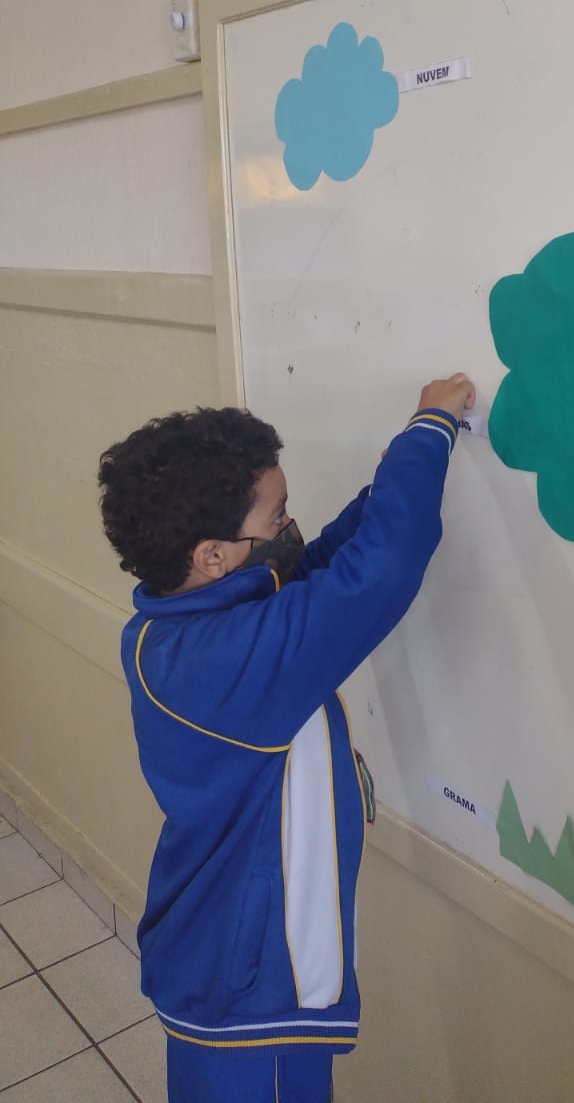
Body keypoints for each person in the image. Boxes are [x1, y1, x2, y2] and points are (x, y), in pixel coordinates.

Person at [98, 372, 475, 1103]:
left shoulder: (175, 628)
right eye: (277, 518)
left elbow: (317, 568)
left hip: (221, 964)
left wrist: (395, 469)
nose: (289, 530)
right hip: (252, 997)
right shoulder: (223, 663)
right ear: (212, 555)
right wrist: (430, 430)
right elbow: (378, 572)